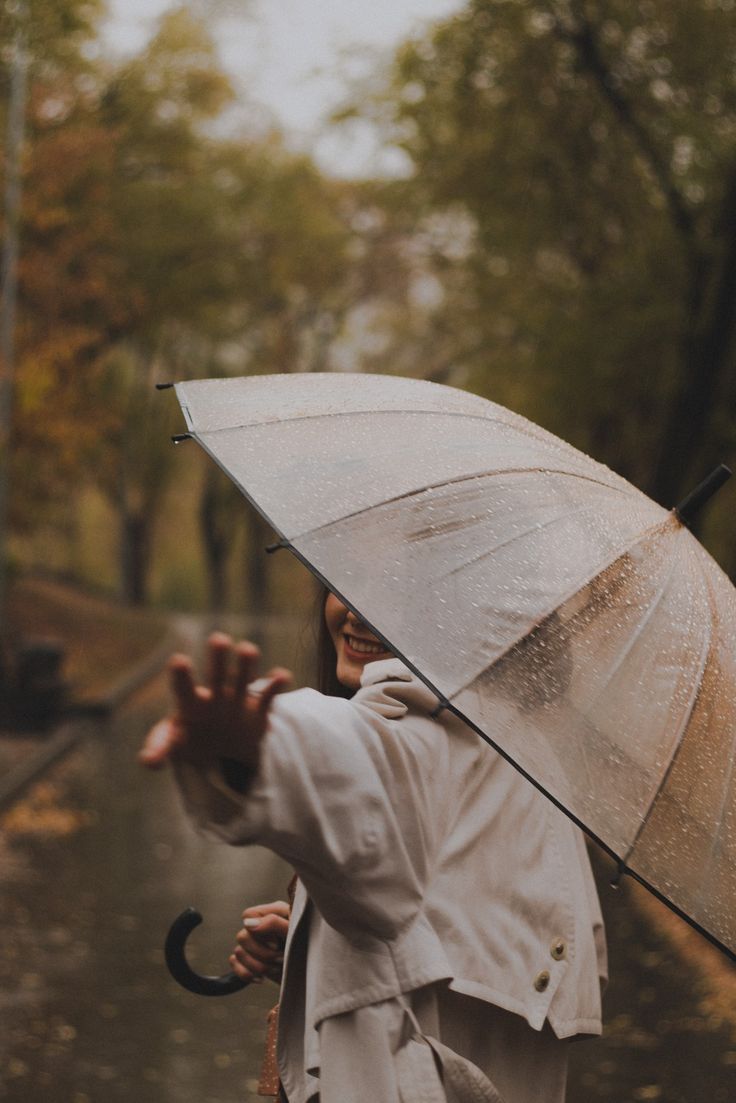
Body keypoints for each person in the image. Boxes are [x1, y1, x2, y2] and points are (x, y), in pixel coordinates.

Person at [140, 589, 607, 1103]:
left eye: (392, 589)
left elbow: (354, 752)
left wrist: (253, 750)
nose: (357, 610)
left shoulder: (424, 724)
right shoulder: (533, 760)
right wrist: (307, 939)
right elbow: (416, 924)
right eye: (348, 580)